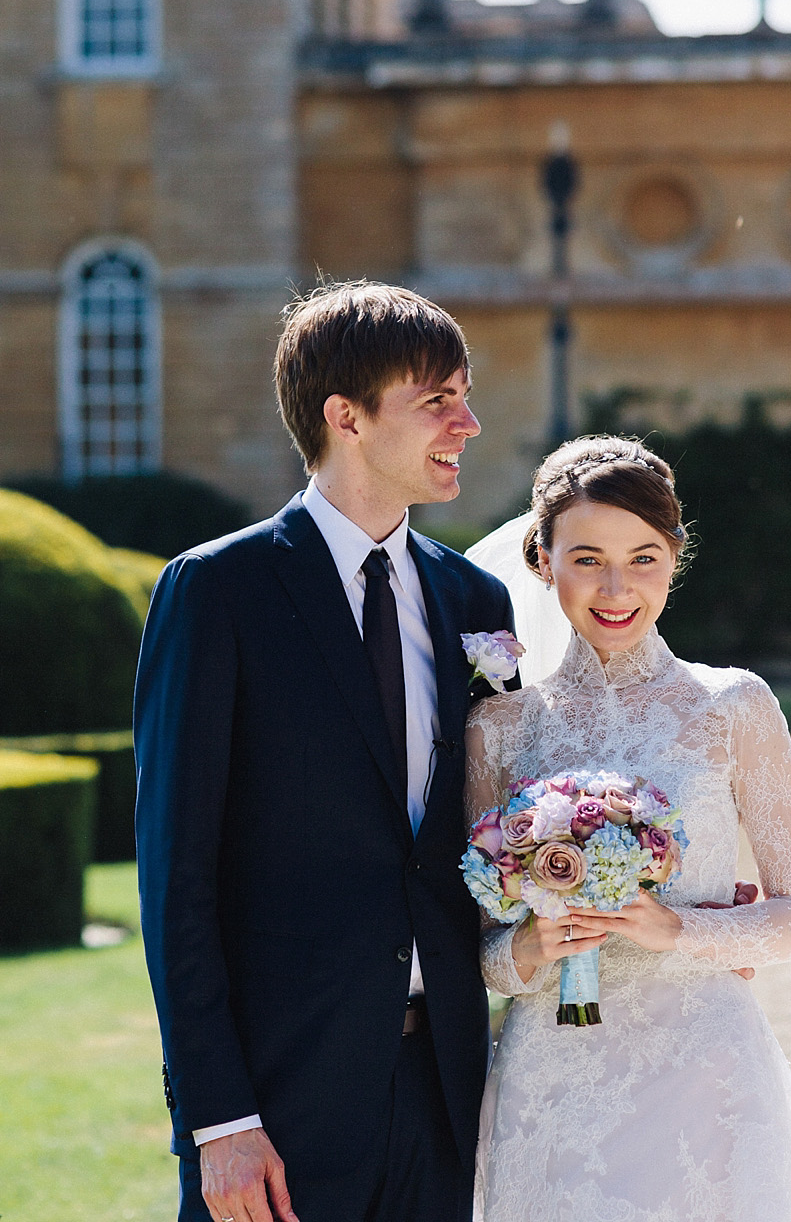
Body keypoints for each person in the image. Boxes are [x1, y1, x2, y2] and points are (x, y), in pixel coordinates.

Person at [134, 282, 519, 1222]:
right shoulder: (218, 592)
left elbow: (503, 823)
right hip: (279, 1106)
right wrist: (220, 1120)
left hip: (447, 1096)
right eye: (437, 400)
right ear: (343, 416)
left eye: (464, 395)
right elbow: (175, 879)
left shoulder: (477, 604)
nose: (467, 423)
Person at [466, 435, 791, 1222]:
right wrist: (531, 947)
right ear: (542, 558)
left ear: (675, 557)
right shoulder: (498, 729)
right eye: (587, 557)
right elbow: (481, 952)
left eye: (644, 558)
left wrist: (680, 929)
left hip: (704, 1078)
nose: (616, 587)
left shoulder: (733, 707)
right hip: (550, 1081)